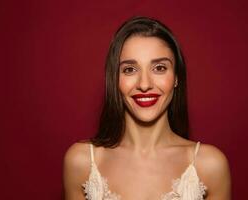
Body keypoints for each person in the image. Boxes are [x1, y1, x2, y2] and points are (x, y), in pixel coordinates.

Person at [63, 16, 231, 200]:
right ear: (115, 79)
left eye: (159, 68)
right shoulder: (81, 162)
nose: (144, 84)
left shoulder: (210, 166)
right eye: (130, 69)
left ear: (176, 78)